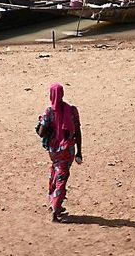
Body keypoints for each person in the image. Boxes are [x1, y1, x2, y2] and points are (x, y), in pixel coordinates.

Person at [36, 83, 82, 223]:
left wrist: (41, 125)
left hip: (54, 151)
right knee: (61, 177)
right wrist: (79, 152)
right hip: (67, 150)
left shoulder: (49, 112)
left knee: (55, 174)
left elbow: (41, 132)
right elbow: (78, 132)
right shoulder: (72, 110)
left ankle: (55, 203)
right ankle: (56, 210)